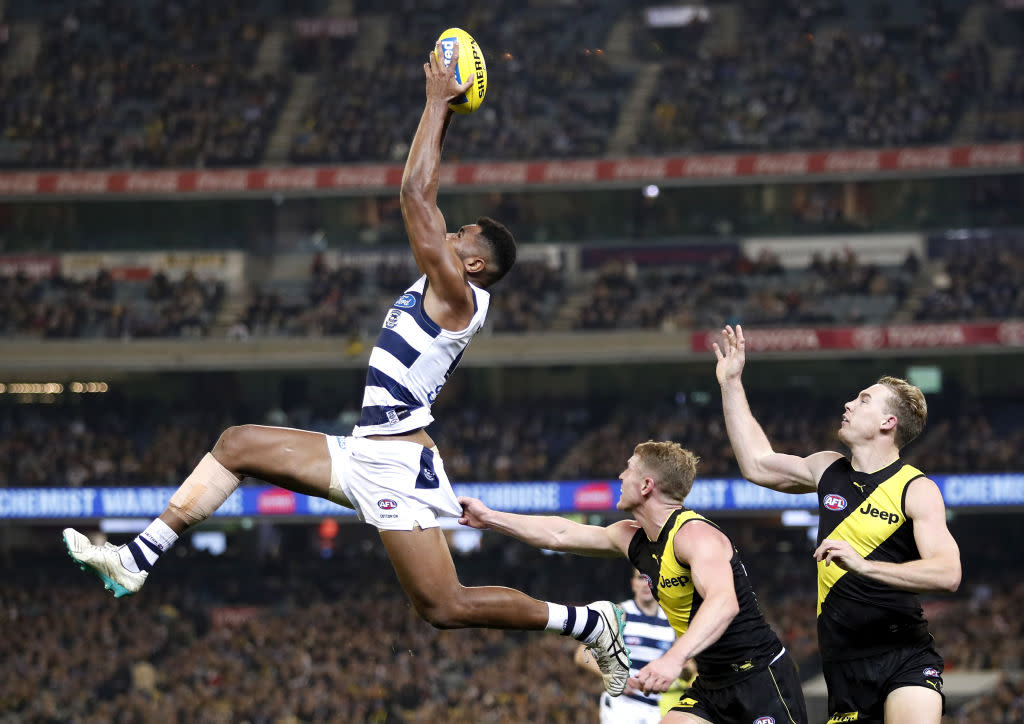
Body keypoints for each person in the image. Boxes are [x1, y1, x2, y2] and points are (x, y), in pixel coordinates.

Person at [61, 39, 631, 698]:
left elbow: (415, 194)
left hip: (397, 464)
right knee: (237, 445)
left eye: (459, 237)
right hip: (364, 451)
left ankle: (589, 623)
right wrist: (443, 116)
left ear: (473, 264)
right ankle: (137, 557)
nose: (447, 235)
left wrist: (434, 104)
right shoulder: (447, 278)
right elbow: (427, 198)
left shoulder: (457, 294)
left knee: (443, 607)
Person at [713, 324, 962, 724]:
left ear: (888, 423)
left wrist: (863, 565)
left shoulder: (915, 488)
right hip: (843, 667)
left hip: (904, 655)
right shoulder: (827, 467)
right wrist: (731, 384)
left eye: (864, 401)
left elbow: (949, 573)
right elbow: (757, 463)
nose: (848, 403)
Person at [460, 441, 809, 724]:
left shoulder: (696, 536)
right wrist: (490, 518)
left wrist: (673, 659)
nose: (620, 475)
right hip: (711, 682)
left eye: (628, 469)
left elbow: (724, 603)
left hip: (760, 678)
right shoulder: (632, 537)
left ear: (646, 485)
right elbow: (560, 533)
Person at [574, 567, 695, 724]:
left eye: (650, 578)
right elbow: (581, 654)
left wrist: (682, 667)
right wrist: (612, 676)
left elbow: (688, 672)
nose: (646, 584)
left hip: (654, 709)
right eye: (640, 578)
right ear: (633, 584)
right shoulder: (621, 613)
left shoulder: (671, 622)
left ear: (660, 583)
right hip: (621, 706)